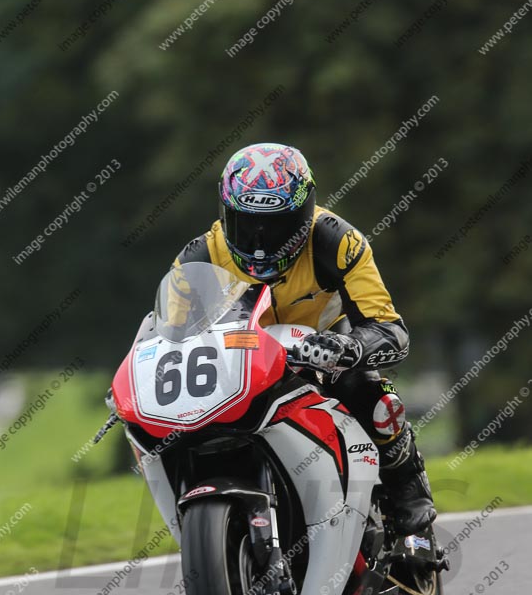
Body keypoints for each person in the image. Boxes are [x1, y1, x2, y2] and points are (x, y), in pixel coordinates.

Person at [174, 142, 436, 535]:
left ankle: (408, 488)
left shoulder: (337, 242)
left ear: (304, 213)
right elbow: (171, 336)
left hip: (322, 349)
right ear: (225, 214)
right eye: (247, 225)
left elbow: (389, 327)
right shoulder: (200, 256)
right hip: (238, 362)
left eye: (276, 225)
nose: (260, 243)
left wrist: (349, 348)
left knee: (375, 397)